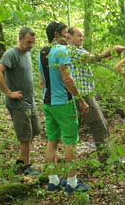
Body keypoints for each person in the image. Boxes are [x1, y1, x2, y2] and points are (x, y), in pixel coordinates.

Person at [39, 21, 89, 193]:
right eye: (66, 32)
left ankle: (53, 181)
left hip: (48, 102)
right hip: (63, 103)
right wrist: (80, 100)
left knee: (52, 140)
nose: (68, 35)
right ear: (56, 35)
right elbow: (67, 79)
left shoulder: (43, 51)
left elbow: (41, 81)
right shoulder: (61, 50)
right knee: (70, 141)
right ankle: (72, 183)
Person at [67, 27, 125, 161]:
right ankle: (107, 159)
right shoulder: (71, 50)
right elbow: (95, 58)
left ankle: (109, 157)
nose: (82, 38)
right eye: (79, 36)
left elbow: (97, 60)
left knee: (102, 123)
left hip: (87, 93)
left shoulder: (79, 50)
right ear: (69, 37)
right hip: (82, 94)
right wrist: (112, 50)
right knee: (98, 124)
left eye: (82, 36)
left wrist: (113, 54)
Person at [0, 27, 40, 175]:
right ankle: (25, 166)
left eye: (33, 42)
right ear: (20, 39)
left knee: (35, 130)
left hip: (30, 102)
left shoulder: (27, 53)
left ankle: (21, 160)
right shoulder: (11, 54)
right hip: (18, 104)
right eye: (28, 42)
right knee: (25, 135)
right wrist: (8, 92)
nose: (30, 45)